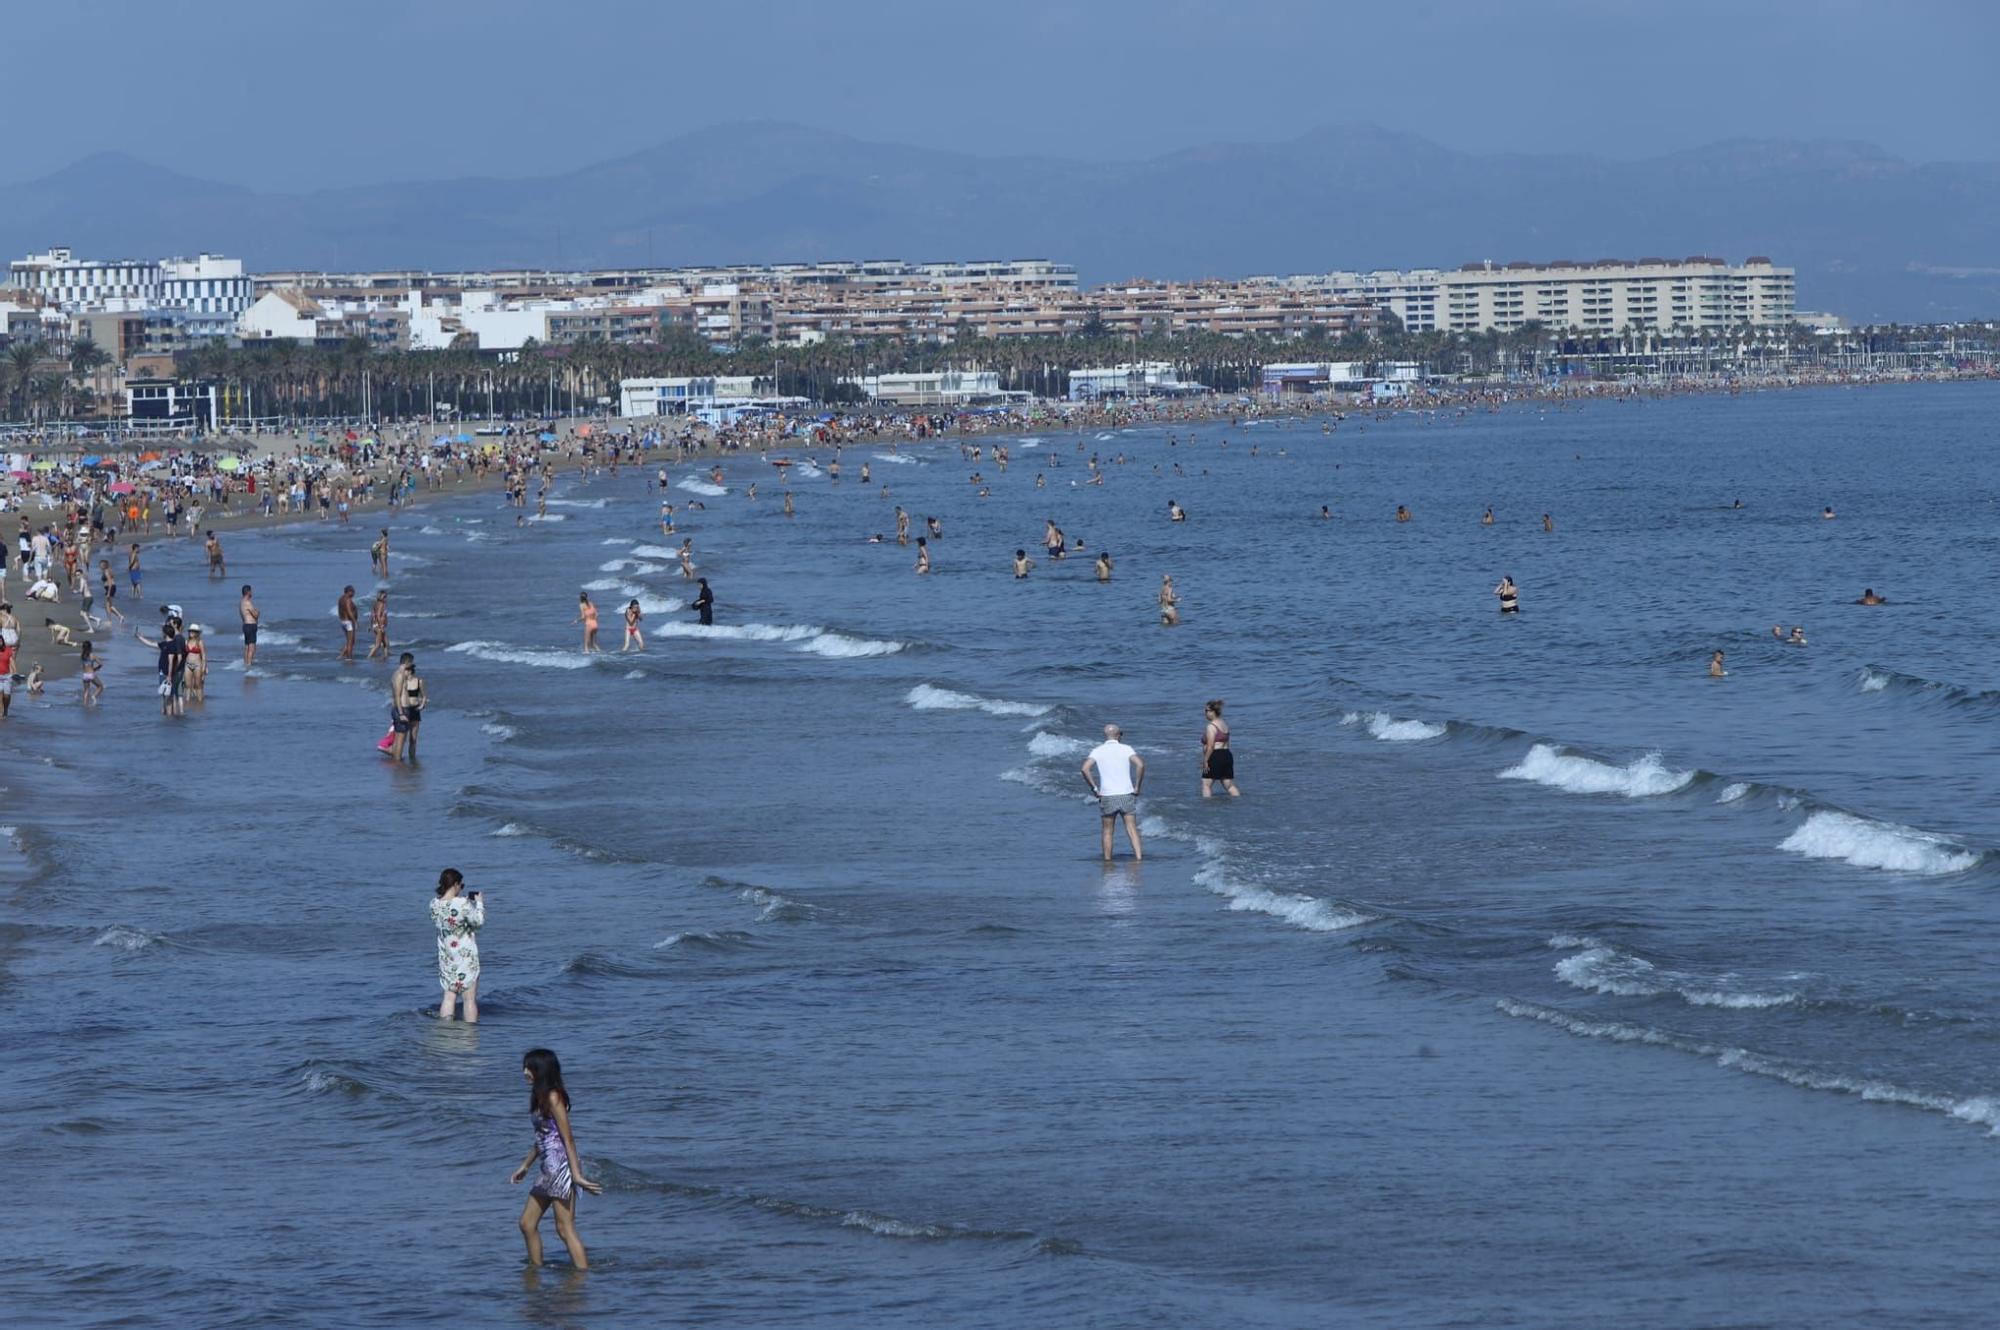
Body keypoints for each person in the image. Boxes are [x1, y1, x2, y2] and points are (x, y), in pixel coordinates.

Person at [511, 1048, 603, 1269]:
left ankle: (582, 1275)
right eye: (524, 1067)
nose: (525, 1072)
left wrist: (577, 1175)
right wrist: (525, 1165)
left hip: (559, 1168)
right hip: (547, 1168)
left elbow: (567, 1138)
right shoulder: (539, 1096)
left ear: (542, 1071)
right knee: (527, 1223)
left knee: (564, 1228)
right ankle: (535, 1270)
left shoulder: (553, 1096)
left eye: (530, 1068)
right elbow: (543, 1137)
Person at [1080, 724, 1145, 862]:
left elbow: (1085, 769)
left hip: (1107, 795)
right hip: (1126, 794)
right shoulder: (1126, 749)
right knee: (1132, 829)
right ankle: (1139, 858)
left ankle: (1108, 861)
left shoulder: (1098, 751)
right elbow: (1140, 764)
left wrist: (1095, 788)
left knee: (1108, 831)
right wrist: (1137, 786)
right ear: (1118, 735)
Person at [431, 868, 483, 1023]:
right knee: (469, 999)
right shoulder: (463, 904)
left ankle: (445, 1030)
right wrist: (479, 904)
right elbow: (478, 923)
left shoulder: (434, 904)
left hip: (447, 957)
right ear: (455, 884)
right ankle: (470, 1034)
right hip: (466, 957)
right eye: (461, 885)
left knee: (449, 996)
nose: (461, 889)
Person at [389, 652, 427, 760]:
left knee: (398, 741)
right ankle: (399, 768)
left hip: (401, 709)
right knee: (400, 743)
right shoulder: (400, 675)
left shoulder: (396, 674)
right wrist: (401, 713)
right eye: (411, 663)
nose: (411, 665)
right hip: (402, 709)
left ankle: (397, 768)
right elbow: (397, 695)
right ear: (407, 662)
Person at [1201, 699, 1240, 798]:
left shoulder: (1211, 726)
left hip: (1215, 755)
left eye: (1206, 711)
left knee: (1206, 784)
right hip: (1227, 755)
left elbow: (1210, 746)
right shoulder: (1224, 724)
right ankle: (1238, 802)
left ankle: (1207, 809)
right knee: (1229, 785)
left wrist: (1205, 760)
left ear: (1213, 712)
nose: (1205, 713)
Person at [183, 625, 207, 702]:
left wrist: (204, 667)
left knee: (198, 686)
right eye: (190, 631)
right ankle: (187, 702)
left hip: (197, 665)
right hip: (188, 665)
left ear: (197, 633)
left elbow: (203, 655)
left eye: (193, 631)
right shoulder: (186, 641)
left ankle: (200, 702)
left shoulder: (199, 642)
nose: (191, 632)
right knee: (187, 686)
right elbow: (184, 655)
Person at [239, 585, 259, 667]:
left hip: (245, 625)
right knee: (251, 647)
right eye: (251, 591)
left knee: (247, 646)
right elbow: (255, 615)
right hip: (250, 625)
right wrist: (258, 611)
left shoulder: (241, 602)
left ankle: (246, 663)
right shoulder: (247, 602)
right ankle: (249, 664)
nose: (252, 592)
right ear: (248, 592)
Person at [337, 586, 359, 660]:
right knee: (350, 642)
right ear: (348, 591)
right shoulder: (348, 600)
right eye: (353, 591)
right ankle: (349, 659)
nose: (354, 593)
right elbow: (349, 611)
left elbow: (340, 610)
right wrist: (355, 621)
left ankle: (341, 656)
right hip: (348, 622)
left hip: (342, 621)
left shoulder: (341, 599)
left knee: (350, 641)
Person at [369, 590, 390, 660]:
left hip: (376, 625)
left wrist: (370, 625)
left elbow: (372, 615)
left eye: (386, 597)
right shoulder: (381, 604)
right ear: (380, 597)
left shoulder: (376, 604)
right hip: (379, 626)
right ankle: (368, 658)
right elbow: (378, 615)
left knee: (386, 643)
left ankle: (386, 657)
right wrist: (381, 626)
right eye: (384, 597)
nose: (385, 598)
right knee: (378, 645)